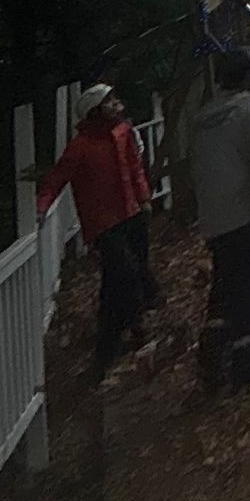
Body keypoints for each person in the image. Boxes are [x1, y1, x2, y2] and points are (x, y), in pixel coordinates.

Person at [37, 83, 157, 378]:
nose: (117, 104)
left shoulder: (123, 133)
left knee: (121, 278)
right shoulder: (80, 147)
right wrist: (41, 207)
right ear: (96, 109)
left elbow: (134, 168)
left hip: (131, 213)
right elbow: (57, 178)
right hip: (103, 223)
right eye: (110, 101)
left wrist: (143, 198)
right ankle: (132, 324)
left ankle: (114, 338)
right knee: (125, 273)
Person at [190, 51, 250, 393]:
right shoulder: (248, 110)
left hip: (214, 220)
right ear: (246, 78)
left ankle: (211, 357)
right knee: (248, 285)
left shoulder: (202, 118)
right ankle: (246, 367)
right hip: (244, 212)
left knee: (224, 285)